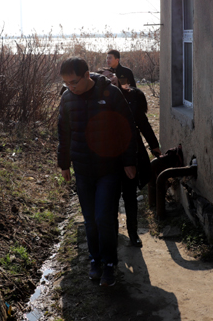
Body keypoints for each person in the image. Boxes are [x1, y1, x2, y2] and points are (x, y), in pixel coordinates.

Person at [57, 57, 138, 287]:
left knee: (104, 217)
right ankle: (95, 260)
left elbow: (127, 127)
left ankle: (110, 264)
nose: (71, 87)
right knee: (90, 219)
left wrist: (129, 161)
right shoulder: (67, 98)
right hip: (83, 169)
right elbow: (63, 132)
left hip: (108, 169)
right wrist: (64, 164)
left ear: (87, 75)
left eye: (74, 82)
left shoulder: (110, 94)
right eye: (66, 83)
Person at [100, 69, 160, 247]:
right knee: (110, 196)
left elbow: (143, 123)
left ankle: (133, 233)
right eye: (105, 76)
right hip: (108, 157)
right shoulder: (97, 101)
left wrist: (154, 146)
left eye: (111, 75)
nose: (109, 78)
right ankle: (113, 232)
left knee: (130, 195)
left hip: (131, 152)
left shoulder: (133, 97)